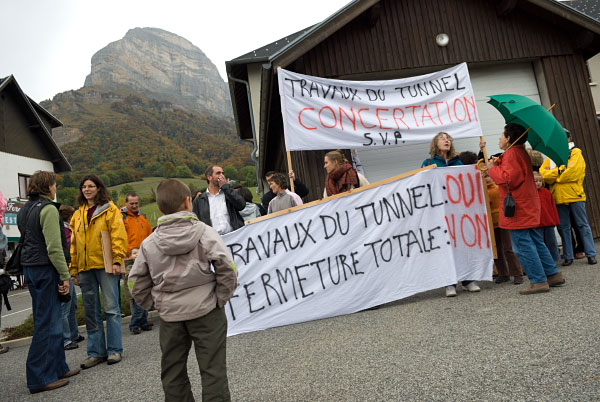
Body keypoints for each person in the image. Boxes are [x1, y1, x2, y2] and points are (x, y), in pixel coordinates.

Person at [129, 178, 238, 402]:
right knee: (213, 371)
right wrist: (220, 297)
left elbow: (135, 282)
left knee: (173, 372)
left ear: (159, 208)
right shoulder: (205, 233)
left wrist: (156, 304)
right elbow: (228, 268)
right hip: (207, 311)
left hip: (170, 315)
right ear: (189, 202)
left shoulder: (149, 244)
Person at [17, 171, 80, 393]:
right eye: (54, 184)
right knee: (47, 323)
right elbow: (54, 248)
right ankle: (39, 378)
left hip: (31, 269)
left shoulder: (25, 210)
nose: (56, 188)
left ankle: (58, 368)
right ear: (48, 187)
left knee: (49, 319)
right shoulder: (48, 210)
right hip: (46, 269)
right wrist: (64, 275)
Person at [488, 123, 565, 295]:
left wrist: (493, 169)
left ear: (508, 139)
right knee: (535, 241)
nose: (499, 138)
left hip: (518, 207)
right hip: (526, 204)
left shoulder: (513, 154)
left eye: (502, 135)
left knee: (522, 245)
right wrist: (499, 161)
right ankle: (552, 275)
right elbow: (514, 173)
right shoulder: (517, 152)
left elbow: (509, 180)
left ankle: (538, 281)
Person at [70, 174, 128, 368]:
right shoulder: (78, 213)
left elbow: (118, 236)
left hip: (106, 265)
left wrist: (118, 259)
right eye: (84, 187)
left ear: (99, 188)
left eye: (91, 186)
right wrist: (74, 269)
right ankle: (96, 352)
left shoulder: (110, 209)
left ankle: (114, 350)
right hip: (85, 268)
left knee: (111, 309)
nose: (87, 189)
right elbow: (73, 244)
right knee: (91, 311)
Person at [423, 134, 479, 296]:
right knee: (446, 247)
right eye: (442, 138)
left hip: (459, 212)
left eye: (448, 138)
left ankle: (468, 280)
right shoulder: (428, 164)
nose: (446, 140)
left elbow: (467, 184)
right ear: (435, 143)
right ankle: (450, 283)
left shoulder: (458, 162)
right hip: (440, 213)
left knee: (463, 244)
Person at [539, 130, 597, 266]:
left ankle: (591, 254)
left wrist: (555, 176)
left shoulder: (576, 152)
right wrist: (560, 171)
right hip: (558, 197)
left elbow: (573, 173)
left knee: (582, 225)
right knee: (563, 227)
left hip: (575, 195)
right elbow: (543, 174)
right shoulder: (551, 156)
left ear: (569, 138)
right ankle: (568, 256)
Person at [483, 170, 524, 284]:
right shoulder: (482, 191)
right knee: (496, 249)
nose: (486, 179)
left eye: (488, 176)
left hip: (503, 221)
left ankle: (517, 273)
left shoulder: (497, 189)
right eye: (484, 176)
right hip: (491, 224)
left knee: (508, 248)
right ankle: (503, 273)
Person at [121, 191, 153, 334]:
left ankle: (143, 321)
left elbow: (149, 235)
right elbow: (119, 238)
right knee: (134, 291)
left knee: (145, 289)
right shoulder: (122, 218)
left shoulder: (143, 217)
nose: (134, 206)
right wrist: (129, 252)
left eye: (136, 203)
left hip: (145, 258)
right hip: (130, 260)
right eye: (131, 203)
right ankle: (135, 323)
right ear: (126, 203)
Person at [192, 165, 246, 235]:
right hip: (214, 241)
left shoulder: (229, 194)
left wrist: (226, 188)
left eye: (222, 173)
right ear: (209, 177)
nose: (222, 176)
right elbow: (196, 223)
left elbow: (241, 205)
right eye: (218, 173)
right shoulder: (199, 200)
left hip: (234, 237)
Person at [59, 205, 84, 350]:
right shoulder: (66, 231)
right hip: (65, 270)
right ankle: (66, 339)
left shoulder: (68, 230)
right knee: (66, 306)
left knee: (72, 303)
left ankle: (74, 334)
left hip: (68, 270)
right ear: (70, 217)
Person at [533, 172, 561, 262]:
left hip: (549, 223)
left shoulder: (546, 192)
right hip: (537, 224)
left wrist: (555, 221)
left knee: (552, 242)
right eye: (535, 181)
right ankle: (543, 261)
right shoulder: (530, 194)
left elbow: (553, 207)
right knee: (540, 244)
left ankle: (555, 259)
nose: (538, 183)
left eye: (540, 181)